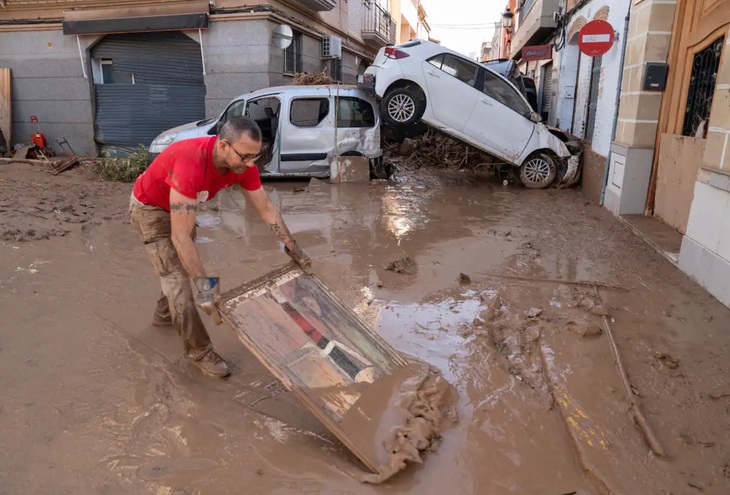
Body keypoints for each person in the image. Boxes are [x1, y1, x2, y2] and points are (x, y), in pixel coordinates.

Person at [129, 116, 311, 379]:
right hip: (151, 208)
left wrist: (293, 247)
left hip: (182, 207)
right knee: (178, 280)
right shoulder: (190, 164)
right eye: (245, 157)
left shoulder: (243, 165)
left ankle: (163, 314)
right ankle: (200, 352)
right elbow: (181, 238)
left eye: (255, 157)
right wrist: (206, 292)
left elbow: (266, 208)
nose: (251, 164)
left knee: (176, 268)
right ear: (224, 146)